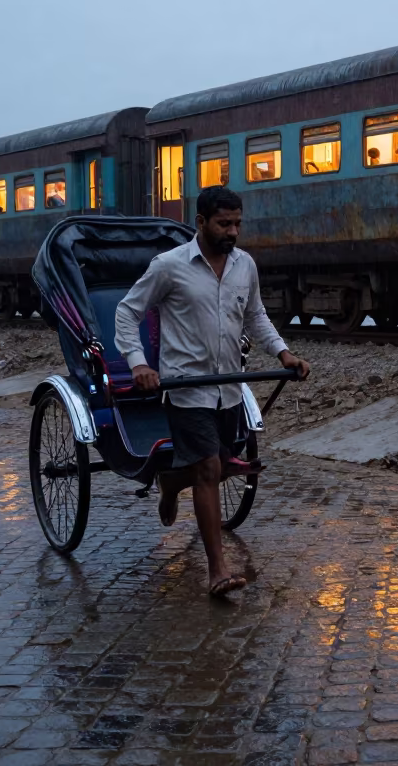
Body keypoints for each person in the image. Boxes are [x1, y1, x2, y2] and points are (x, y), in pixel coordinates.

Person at [114, 186, 311, 597]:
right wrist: (139, 363)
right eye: (224, 223)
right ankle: (218, 570)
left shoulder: (245, 266)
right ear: (201, 223)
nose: (233, 232)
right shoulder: (169, 266)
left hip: (230, 389)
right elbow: (127, 311)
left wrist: (283, 353)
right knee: (208, 469)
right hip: (187, 388)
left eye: (238, 223)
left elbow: (255, 315)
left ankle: (170, 482)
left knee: (218, 466)